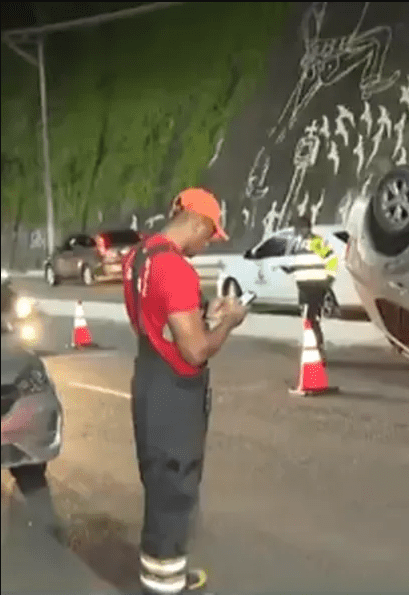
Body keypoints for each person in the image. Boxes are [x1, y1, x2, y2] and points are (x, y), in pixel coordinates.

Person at [122, 188, 248, 594]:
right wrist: (228, 323)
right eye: (209, 234)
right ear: (195, 221)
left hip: (148, 379)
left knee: (159, 487)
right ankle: (165, 587)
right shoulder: (176, 269)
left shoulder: (138, 257)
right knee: (175, 490)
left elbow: (153, 316)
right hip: (175, 395)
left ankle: (162, 577)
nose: (206, 243)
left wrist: (196, 312)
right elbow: (195, 350)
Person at [289, 214, 340, 357]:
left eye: (301, 228)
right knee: (308, 318)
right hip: (303, 287)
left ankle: (318, 346)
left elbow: (331, 259)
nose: (298, 231)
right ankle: (315, 345)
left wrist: (329, 279)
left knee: (312, 318)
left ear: (307, 228)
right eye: (297, 228)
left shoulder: (317, 242)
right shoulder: (297, 243)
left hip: (315, 286)